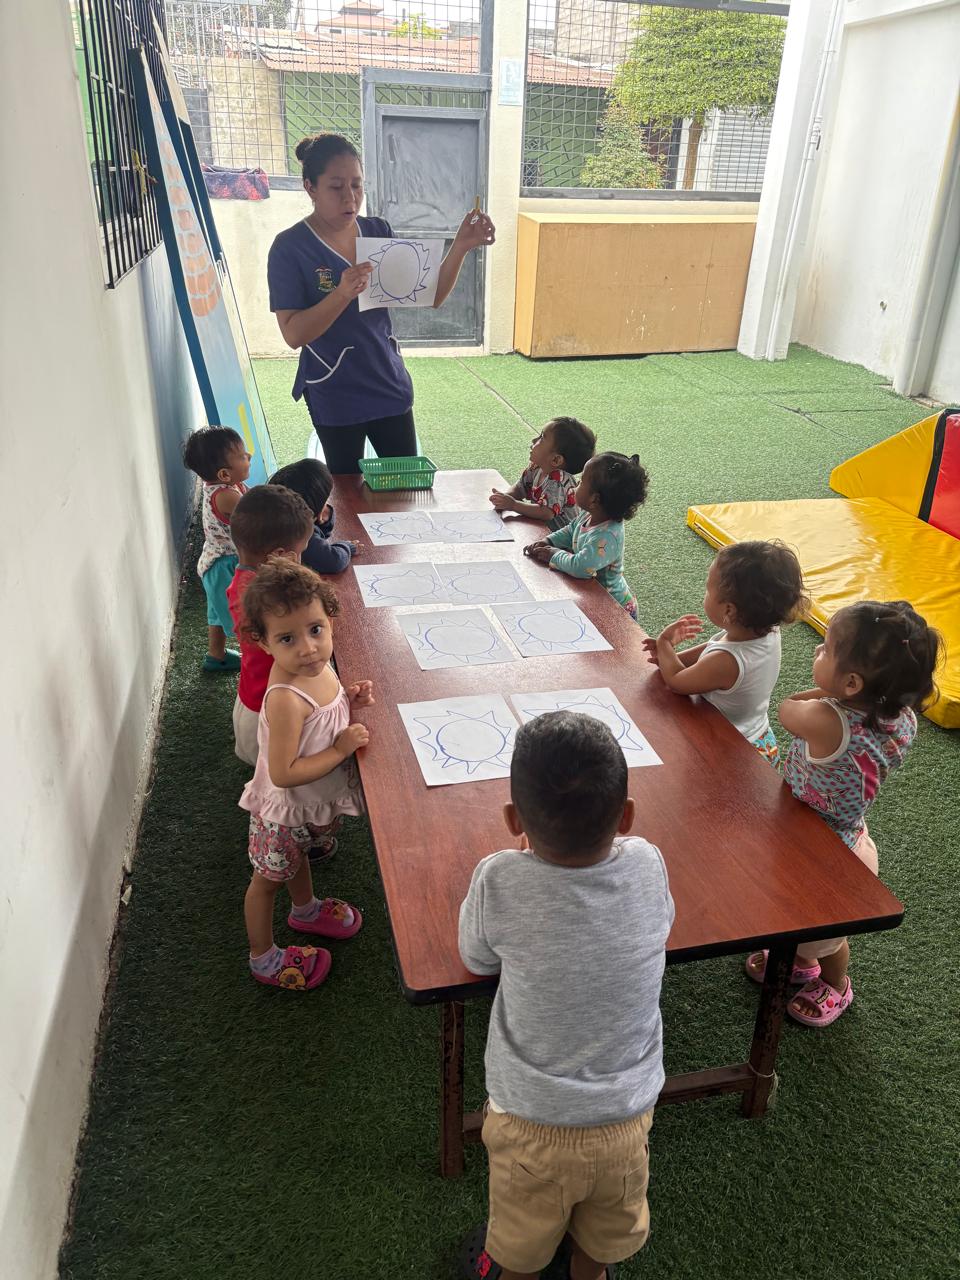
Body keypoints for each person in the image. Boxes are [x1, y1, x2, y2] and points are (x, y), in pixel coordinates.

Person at [458, 712, 674, 1280]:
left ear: (513, 820)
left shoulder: (498, 877)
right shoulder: (648, 862)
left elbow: (476, 959)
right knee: (603, 1241)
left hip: (529, 1124)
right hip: (628, 1118)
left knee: (520, 1253)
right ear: (626, 816)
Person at [746, 600, 942, 1025]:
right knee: (798, 916)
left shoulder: (824, 719)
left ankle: (836, 985)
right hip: (842, 835)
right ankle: (798, 961)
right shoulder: (902, 717)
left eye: (826, 649)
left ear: (852, 683)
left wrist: (827, 695)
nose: (817, 650)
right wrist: (839, 692)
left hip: (828, 858)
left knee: (826, 936)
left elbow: (787, 708)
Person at [266, 132, 495, 473]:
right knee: (347, 491)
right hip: (334, 390)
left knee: (404, 483)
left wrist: (461, 245)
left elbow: (431, 294)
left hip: (387, 382)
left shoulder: (377, 232)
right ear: (310, 187)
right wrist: (341, 294)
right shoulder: (289, 247)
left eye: (357, 185)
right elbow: (293, 334)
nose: (350, 197)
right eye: (336, 186)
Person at [238, 559, 373, 991]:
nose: (308, 648)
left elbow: (323, 716)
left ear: (329, 620)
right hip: (283, 814)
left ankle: (305, 910)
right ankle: (263, 957)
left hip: (308, 806)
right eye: (287, 638)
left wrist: (348, 699)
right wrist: (339, 750)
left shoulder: (319, 668)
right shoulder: (285, 698)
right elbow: (283, 772)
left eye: (316, 629)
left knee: (298, 859)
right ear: (263, 642)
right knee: (266, 883)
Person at [645, 541, 808, 766]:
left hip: (731, 748)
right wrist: (671, 659)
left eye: (707, 589)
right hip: (758, 735)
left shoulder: (728, 662)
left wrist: (665, 644)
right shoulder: (763, 632)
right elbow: (711, 651)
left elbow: (676, 682)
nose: (705, 593)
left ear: (729, 610)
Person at [227, 486, 316, 769]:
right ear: (279, 556)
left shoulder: (243, 582)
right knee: (279, 780)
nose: (301, 560)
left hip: (253, 696)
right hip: (268, 710)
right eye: (299, 553)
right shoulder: (268, 601)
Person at [524, 452, 648, 619]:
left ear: (594, 500)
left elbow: (580, 567)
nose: (576, 484)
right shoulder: (589, 514)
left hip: (614, 608)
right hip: (591, 594)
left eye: (581, 481)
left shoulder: (607, 536)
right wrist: (549, 541)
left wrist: (553, 554)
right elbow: (571, 530)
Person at [182, 426, 251, 672]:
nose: (249, 456)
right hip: (226, 566)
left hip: (214, 562)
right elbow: (256, 518)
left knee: (216, 612)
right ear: (224, 474)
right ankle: (255, 661)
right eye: (242, 456)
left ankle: (216, 655)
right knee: (244, 617)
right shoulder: (226, 497)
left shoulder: (229, 486)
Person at [488, 416, 596, 530]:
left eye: (542, 437)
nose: (534, 440)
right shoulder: (535, 468)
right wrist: (504, 498)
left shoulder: (559, 480)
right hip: (541, 530)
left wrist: (513, 505)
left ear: (556, 460)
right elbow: (520, 489)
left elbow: (546, 512)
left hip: (561, 537)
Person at [269, 457, 361, 575]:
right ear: (311, 509)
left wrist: (322, 516)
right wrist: (348, 547)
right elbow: (333, 561)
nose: (326, 506)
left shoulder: (280, 517)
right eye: (324, 502)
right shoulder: (299, 536)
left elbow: (322, 534)